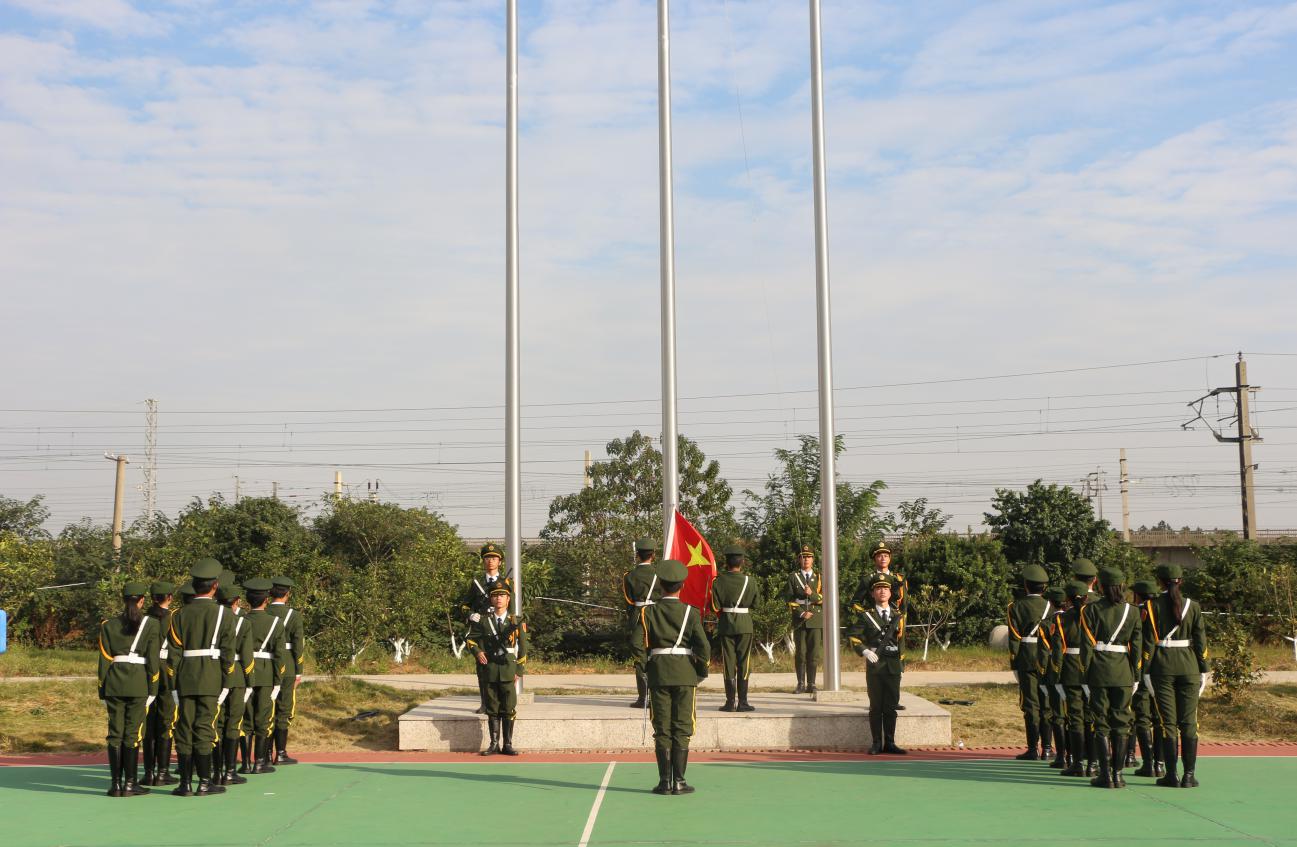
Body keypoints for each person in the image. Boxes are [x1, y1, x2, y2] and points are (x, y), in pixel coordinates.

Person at [632, 559, 710, 794]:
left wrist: (644, 667)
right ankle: (680, 782)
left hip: (658, 673)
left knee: (662, 727)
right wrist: (701, 672)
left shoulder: (647, 612)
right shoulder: (691, 612)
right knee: (682, 726)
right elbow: (703, 647)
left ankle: (665, 781)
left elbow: (636, 644)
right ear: (681, 585)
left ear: (661, 585)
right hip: (685, 673)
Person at [167, 558, 236, 796]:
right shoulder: (225, 615)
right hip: (211, 675)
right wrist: (226, 679)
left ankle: (185, 783)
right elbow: (229, 653)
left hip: (185, 676)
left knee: (184, 727)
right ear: (215, 585)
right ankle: (204, 783)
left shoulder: (178, 615)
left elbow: (173, 654)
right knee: (205, 726)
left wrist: (174, 682)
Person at [1142, 563, 1209, 788]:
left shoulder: (1151, 607)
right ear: (1180, 581)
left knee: (1167, 722)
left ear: (1159, 582)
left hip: (1162, 668)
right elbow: (1201, 642)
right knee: (1189, 722)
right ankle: (1189, 775)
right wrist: (1204, 668)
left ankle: (1171, 775)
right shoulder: (1194, 606)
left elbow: (1148, 643)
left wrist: (1146, 669)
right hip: (1189, 666)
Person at [1080, 566, 1142, 789]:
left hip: (1098, 671)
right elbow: (1136, 646)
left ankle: (1105, 775)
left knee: (1101, 722)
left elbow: (1086, 646)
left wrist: (1085, 673)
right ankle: (1118, 775)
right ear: (1122, 586)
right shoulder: (1133, 611)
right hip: (1123, 671)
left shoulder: (1090, 610)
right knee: (1122, 722)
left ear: (1101, 586)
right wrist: (1136, 675)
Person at [98, 581, 161, 797]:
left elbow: (104, 660)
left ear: (124, 600)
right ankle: (130, 784)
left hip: (114, 683)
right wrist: (153, 688)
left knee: (115, 734)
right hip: (139, 683)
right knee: (133, 733)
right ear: (142, 600)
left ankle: (116, 785)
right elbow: (153, 660)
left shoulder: (108, 625)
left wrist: (102, 689)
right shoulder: (151, 625)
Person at [847, 576, 906, 755]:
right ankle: (876, 743)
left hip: (893, 665)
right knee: (876, 706)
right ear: (873, 593)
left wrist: (902, 663)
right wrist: (865, 651)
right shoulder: (866, 616)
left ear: (890, 593)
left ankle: (890, 742)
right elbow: (852, 636)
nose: (882, 591)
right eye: (878, 589)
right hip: (876, 664)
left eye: (885, 589)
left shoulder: (898, 616)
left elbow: (901, 640)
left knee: (891, 706)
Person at [467, 582, 528, 756]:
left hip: (509, 668)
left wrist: (519, 671)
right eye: (495, 595)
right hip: (490, 668)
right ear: (491, 599)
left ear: (508, 599)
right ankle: (494, 744)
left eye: (502, 595)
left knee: (508, 707)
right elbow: (470, 639)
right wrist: (477, 652)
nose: (498, 598)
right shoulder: (483, 620)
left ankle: (507, 744)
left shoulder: (516, 621)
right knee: (492, 707)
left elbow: (523, 648)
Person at [460, 542, 514, 714]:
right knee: (483, 667)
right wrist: (470, 615)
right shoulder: (477, 583)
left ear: (500, 561)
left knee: (503, 666)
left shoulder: (506, 582)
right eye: (487, 558)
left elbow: (512, 606)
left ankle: (504, 703)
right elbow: (464, 605)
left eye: (494, 558)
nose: (491, 561)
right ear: (483, 561)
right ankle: (485, 703)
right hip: (483, 630)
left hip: (501, 629)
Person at [1006, 564, 1052, 760]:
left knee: (1031, 705)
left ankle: (1033, 749)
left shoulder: (1016, 606)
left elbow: (1014, 638)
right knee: (1047, 704)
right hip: (1047, 657)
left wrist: (1014, 663)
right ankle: (1048, 749)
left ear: (1026, 585)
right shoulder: (1052, 606)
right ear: (1044, 587)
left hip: (1026, 658)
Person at [242, 578, 287, 774]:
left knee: (245, 719)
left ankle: (244, 762)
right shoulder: (275, 623)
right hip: (267, 674)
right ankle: (259, 762)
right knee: (263, 718)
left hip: (245, 673)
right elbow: (279, 655)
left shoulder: (241, 620)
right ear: (266, 600)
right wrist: (278, 681)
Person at [710, 546, 761, 712]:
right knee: (743, 662)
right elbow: (756, 604)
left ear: (726, 563)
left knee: (728, 662)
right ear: (743, 562)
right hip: (745, 624)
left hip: (726, 624)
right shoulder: (750, 581)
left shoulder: (718, 582)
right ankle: (743, 702)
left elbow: (715, 606)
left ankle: (730, 702)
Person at [1053, 582, 1092, 777]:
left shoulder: (1062, 619)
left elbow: (1058, 651)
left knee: (1075, 718)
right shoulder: (1094, 615)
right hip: (1092, 668)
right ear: (1086, 597)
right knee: (1093, 715)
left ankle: (1078, 763)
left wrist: (1056, 676)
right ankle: (1093, 762)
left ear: (1067, 599)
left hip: (1070, 669)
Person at [214, 579, 250, 787]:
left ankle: (216, 770)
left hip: (214, 673)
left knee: (217, 723)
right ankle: (229, 771)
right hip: (236, 675)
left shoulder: (213, 618)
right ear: (236, 601)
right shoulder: (242, 623)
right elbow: (246, 656)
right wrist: (250, 679)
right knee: (233, 722)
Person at [141, 580, 176, 786]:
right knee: (166, 720)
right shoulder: (173, 618)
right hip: (167, 668)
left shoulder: (144, 618)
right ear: (169, 597)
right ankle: (162, 771)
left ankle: (148, 772)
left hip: (147, 668)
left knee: (149, 721)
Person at [267, 575, 305, 765]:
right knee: (283, 709)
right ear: (287, 595)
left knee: (265, 709)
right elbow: (298, 645)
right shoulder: (293, 616)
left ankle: (263, 753)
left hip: (266, 665)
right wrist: (299, 670)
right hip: (288, 666)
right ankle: (280, 753)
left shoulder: (263, 612)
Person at [1129, 579, 1164, 778]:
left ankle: (1149, 763)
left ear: (1138, 596)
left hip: (1142, 669)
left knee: (1142, 716)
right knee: (1159, 717)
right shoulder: (1162, 611)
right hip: (1162, 669)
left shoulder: (1137, 612)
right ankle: (1159, 763)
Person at [622, 538, 661, 708]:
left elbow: (629, 600)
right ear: (653, 555)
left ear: (637, 555)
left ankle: (643, 697)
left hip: (638, 617)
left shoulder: (629, 576)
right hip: (657, 617)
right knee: (657, 654)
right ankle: (657, 697)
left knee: (640, 655)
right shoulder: (661, 574)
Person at [785, 544, 823, 693]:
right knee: (800, 653)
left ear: (813, 559)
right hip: (800, 619)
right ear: (798, 559)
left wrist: (811, 594)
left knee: (814, 653)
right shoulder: (793, 577)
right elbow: (788, 599)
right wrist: (801, 613)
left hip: (815, 618)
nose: (806, 559)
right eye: (802, 557)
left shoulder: (819, 577)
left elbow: (825, 598)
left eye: (808, 557)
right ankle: (800, 683)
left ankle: (811, 683)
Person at [1041, 586, 1069, 768]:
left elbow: (1043, 653)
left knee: (1058, 714)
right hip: (1076, 670)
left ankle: (1061, 756)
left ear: (1050, 603)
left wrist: (1043, 676)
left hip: (1055, 671)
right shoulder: (1076, 619)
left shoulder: (1047, 623)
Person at [852, 540, 907, 615]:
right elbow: (855, 603)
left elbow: (904, 605)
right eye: (879, 556)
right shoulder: (868, 580)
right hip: (875, 622)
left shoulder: (898, 579)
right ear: (874, 559)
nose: (883, 558)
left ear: (889, 558)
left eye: (886, 556)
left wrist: (900, 621)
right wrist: (868, 615)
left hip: (895, 621)